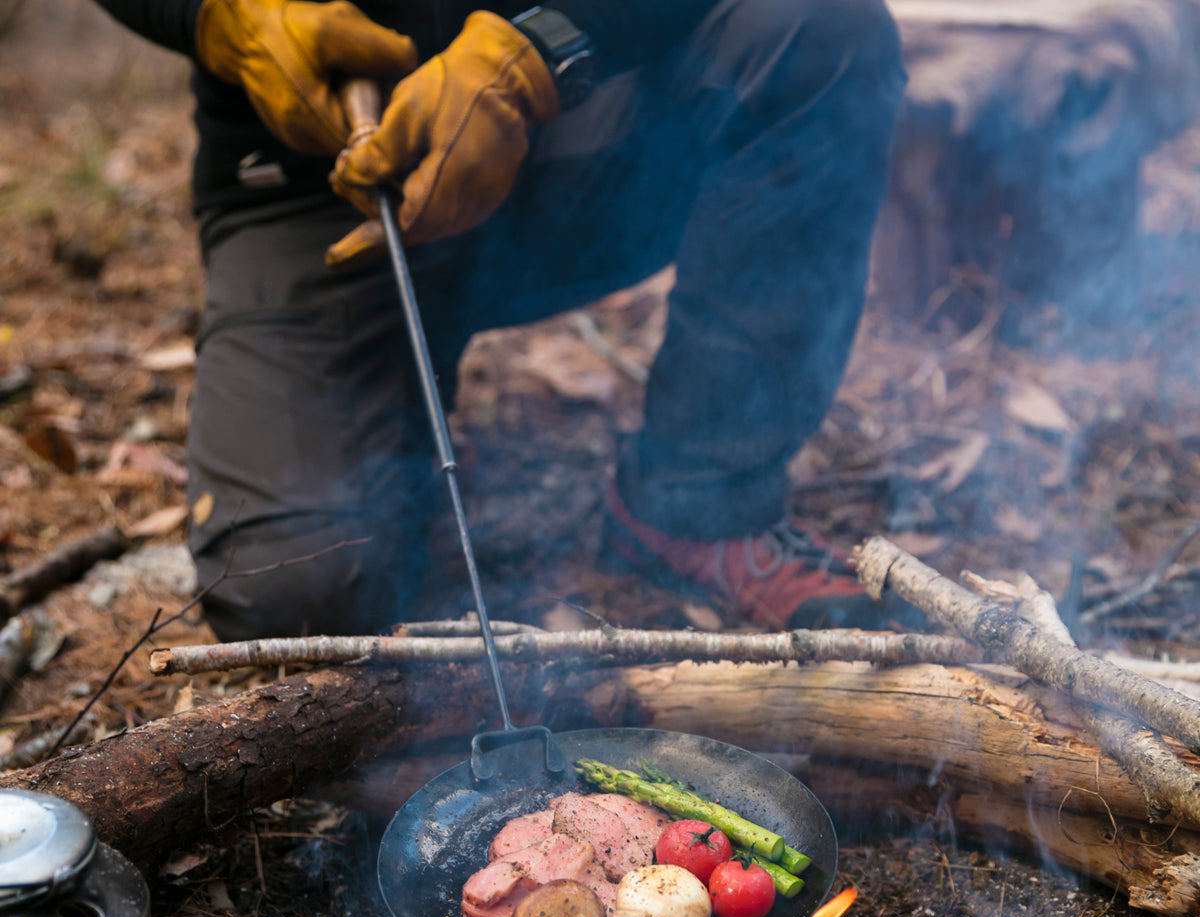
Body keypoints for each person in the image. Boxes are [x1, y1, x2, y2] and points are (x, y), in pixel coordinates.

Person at [93, 0, 907, 638]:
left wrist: (544, 47)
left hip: (578, 125)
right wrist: (217, 12)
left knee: (818, 29)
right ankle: (389, 428)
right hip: (318, 188)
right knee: (298, 594)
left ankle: (700, 501)